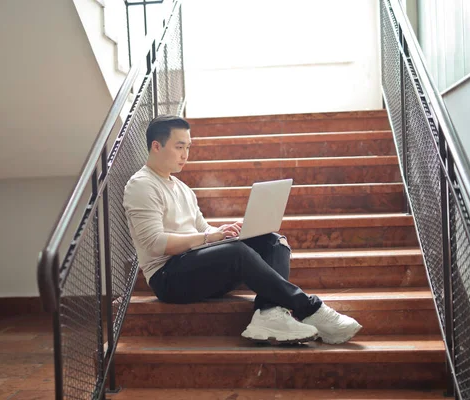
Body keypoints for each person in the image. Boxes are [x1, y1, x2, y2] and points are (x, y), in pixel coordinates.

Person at [123, 115, 362, 344]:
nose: (185, 155)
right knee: (236, 252)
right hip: (168, 279)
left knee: (272, 241)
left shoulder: (183, 188)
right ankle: (310, 308)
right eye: (179, 147)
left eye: (188, 147)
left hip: (195, 267)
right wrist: (209, 237)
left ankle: (268, 314)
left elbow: (201, 228)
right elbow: (155, 243)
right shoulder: (142, 186)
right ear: (156, 146)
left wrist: (222, 230)